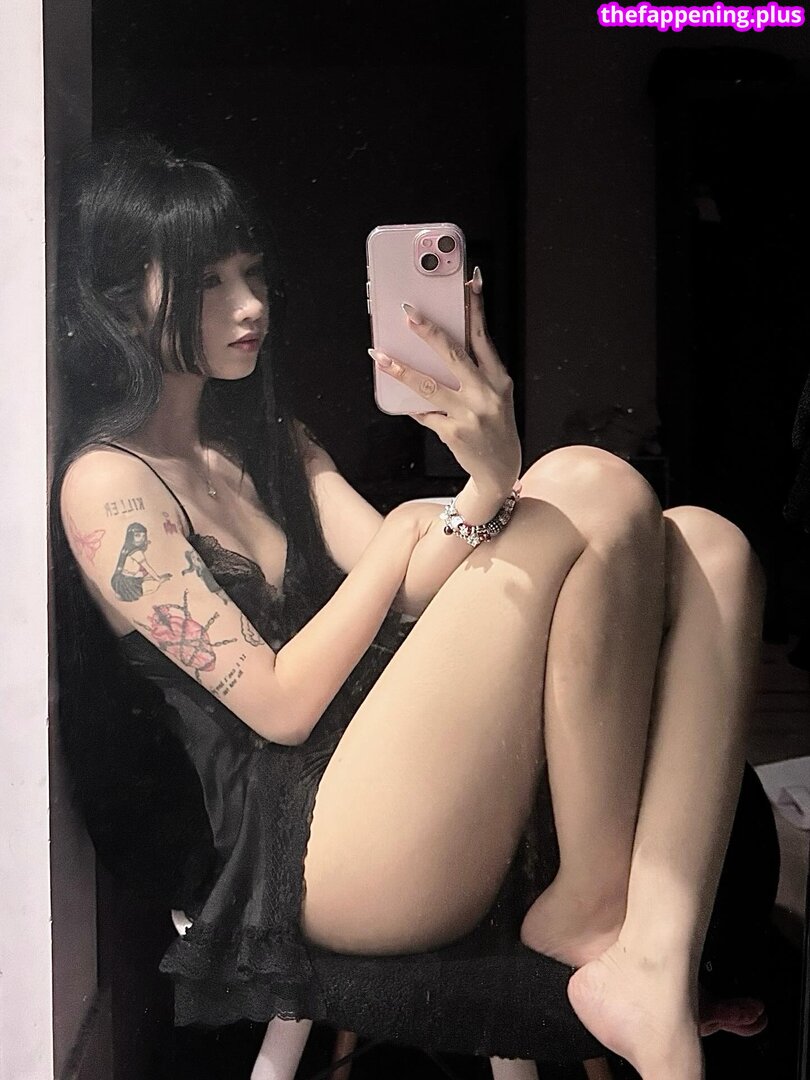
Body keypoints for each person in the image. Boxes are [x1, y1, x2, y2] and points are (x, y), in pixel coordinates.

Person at [52, 134, 769, 1080]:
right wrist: (403, 534)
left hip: (394, 784)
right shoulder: (107, 487)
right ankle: (596, 908)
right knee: (588, 482)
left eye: (252, 273)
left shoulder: (271, 441)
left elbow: (421, 581)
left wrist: (488, 478)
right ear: (117, 302)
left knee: (713, 548)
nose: (251, 305)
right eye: (207, 284)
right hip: (306, 854)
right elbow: (280, 703)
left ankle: (654, 956)